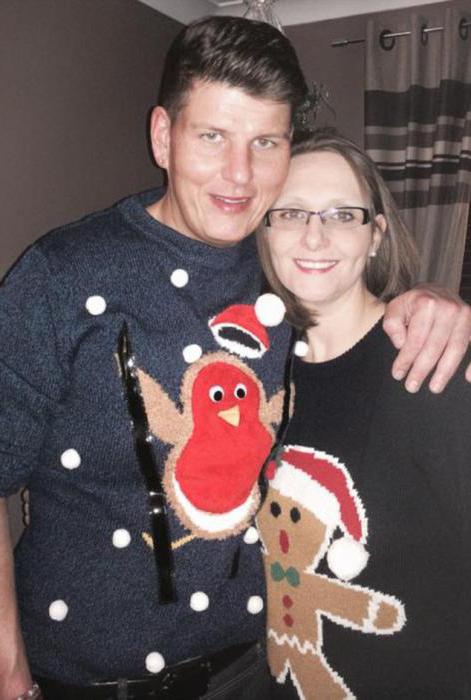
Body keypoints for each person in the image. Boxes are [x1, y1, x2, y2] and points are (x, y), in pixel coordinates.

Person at [0, 16, 470, 700]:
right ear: (163, 136)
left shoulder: (281, 268)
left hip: (253, 673)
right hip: (86, 682)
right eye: (212, 136)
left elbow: (351, 294)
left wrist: (428, 299)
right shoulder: (63, 275)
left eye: (265, 142)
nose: (239, 174)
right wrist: (8, 669)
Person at [256, 130, 471, 699]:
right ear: (265, 230)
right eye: (291, 212)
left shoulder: (432, 361)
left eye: (342, 214)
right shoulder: (254, 370)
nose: (315, 235)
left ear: (375, 235)